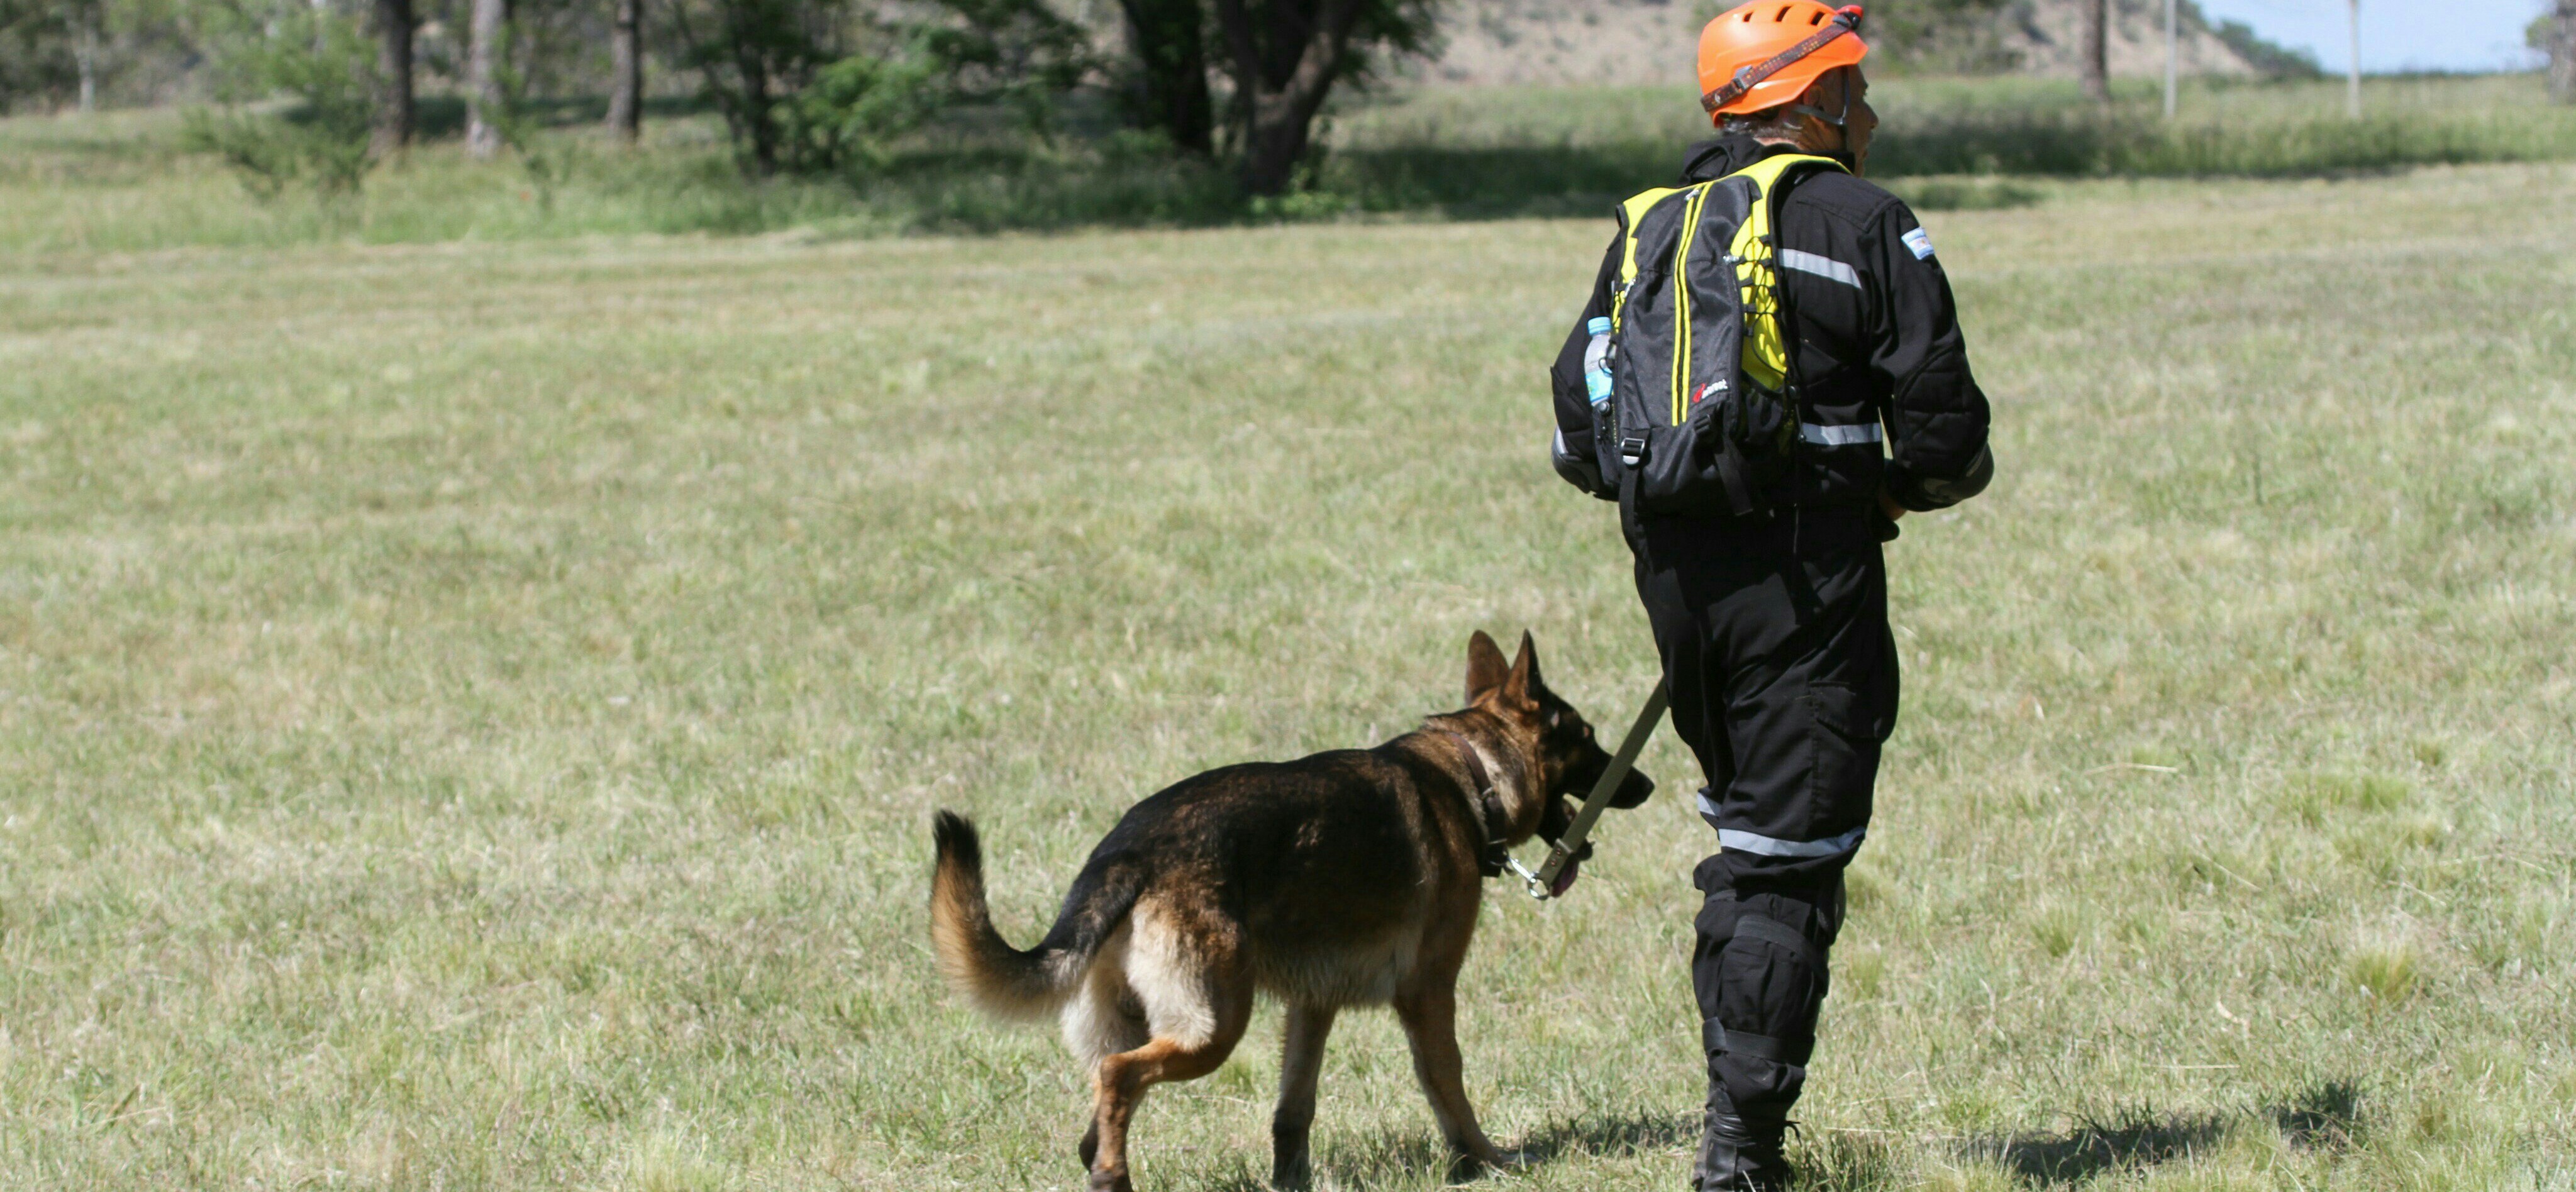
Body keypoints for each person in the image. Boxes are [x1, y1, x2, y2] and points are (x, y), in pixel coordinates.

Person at [1545, 4, 1994, 1188]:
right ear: (1807, 100)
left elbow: (1577, 430)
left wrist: (1692, 509)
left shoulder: (1649, 226)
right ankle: (1738, 1156)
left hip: (1680, 589)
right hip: (1812, 585)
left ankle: (1737, 1118)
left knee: (1751, 840)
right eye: (1856, 87)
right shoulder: (1867, 222)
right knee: (1786, 865)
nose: (1873, 112)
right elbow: (1950, 440)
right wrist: (1883, 492)